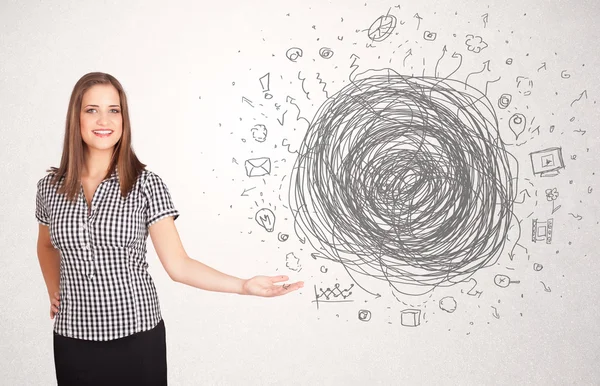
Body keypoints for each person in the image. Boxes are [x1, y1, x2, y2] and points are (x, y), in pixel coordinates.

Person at [35, 72, 304, 386]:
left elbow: (179, 265)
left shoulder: (146, 185)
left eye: (114, 110)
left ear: (124, 119)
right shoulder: (50, 188)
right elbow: (46, 245)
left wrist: (243, 285)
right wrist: (55, 289)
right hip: (73, 340)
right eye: (92, 110)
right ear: (76, 118)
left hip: (136, 338)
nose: (103, 120)